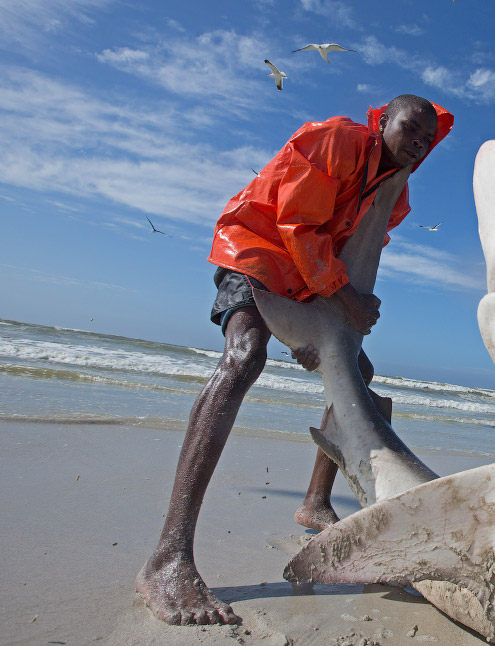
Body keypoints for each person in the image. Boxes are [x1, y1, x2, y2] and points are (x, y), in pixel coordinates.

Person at [136, 94, 454, 626]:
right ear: (382, 121)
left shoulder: (396, 195)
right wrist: (346, 298)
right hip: (257, 248)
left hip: (309, 280)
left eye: (428, 139)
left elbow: (354, 251)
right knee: (245, 355)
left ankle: (315, 502)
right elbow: (297, 224)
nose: (419, 144)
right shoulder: (340, 140)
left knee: (356, 373)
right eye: (410, 129)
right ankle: (168, 557)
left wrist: (332, 330)